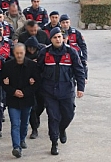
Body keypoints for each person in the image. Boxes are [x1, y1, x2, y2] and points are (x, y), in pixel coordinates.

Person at [37, 27, 85, 155]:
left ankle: (62, 129)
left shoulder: (71, 52)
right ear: (51, 39)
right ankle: (54, 143)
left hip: (66, 90)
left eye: (59, 37)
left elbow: (79, 70)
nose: (58, 39)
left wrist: (81, 88)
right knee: (53, 117)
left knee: (68, 114)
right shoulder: (44, 52)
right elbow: (37, 70)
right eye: (55, 37)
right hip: (49, 91)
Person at [1, 43, 40, 158]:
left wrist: (25, 92)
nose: (19, 55)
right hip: (13, 100)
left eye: (21, 53)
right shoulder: (7, 66)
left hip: (27, 99)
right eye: (17, 53)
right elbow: (2, 82)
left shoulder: (32, 66)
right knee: (15, 124)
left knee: (24, 122)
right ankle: (16, 146)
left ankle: (22, 139)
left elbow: (37, 83)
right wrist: (13, 91)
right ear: (14, 53)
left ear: (24, 53)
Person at [24, 36, 45, 139]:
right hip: (28, 84)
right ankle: (34, 129)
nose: (31, 50)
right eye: (29, 48)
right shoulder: (23, 53)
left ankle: (36, 117)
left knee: (42, 105)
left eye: (33, 48)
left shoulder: (43, 52)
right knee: (32, 107)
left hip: (41, 83)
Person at [59, 14, 88, 80]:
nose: (65, 24)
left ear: (70, 22)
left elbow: (83, 46)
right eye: (63, 23)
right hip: (62, 56)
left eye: (67, 22)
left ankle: (84, 78)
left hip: (75, 55)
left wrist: (84, 57)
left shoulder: (76, 33)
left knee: (82, 63)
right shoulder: (58, 33)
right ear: (60, 23)